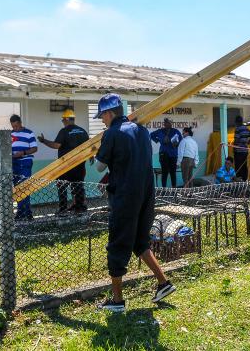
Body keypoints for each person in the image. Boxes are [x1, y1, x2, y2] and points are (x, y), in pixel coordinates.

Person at [92, 93, 175, 312]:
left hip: (124, 197)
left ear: (110, 113)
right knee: (140, 242)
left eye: (102, 116)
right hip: (146, 195)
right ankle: (163, 283)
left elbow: (99, 167)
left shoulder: (111, 134)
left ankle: (117, 302)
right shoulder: (142, 131)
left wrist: (95, 151)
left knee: (117, 245)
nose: (102, 120)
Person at [38, 109, 90, 215]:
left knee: (62, 186)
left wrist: (44, 141)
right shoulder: (83, 131)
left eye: (63, 120)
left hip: (65, 166)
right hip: (79, 165)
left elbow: (56, 145)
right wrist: (91, 157)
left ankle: (63, 210)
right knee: (78, 186)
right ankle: (79, 209)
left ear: (66, 119)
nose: (63, 122)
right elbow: (88, 147)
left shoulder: (64, 131)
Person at [10, 114, 38, 220]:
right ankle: (23, 212)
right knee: (17, 189)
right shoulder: (10, 134)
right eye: (13, 127)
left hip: (25, 162)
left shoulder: (29, 133)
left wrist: (23, 152)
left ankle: (26, 213)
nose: (15, 128)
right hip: (14, 163)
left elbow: (35, 148)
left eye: (16, 126)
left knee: (25, 187)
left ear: (20, 123)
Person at [150, 118, 181, 187]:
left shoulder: (175, 131)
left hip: (173, 154)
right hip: (163, 154)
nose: (166, 124)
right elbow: (151, 135)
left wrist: (175, 143)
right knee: (164, 172)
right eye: (165, 122)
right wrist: (159, 140)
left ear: (171, 123)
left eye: (169, 122)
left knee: (173, 172)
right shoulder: (160, 131)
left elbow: (180, 139)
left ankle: (174, 190)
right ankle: (164, 190)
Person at [233, 116, 250, 181]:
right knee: (244, 165)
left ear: (237, 122)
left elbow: (236, 139)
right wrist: (248, 143)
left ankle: (239, 179)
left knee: (238, 166)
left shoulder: (238, 129)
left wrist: (234, 147)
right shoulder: (246, 128)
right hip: (245, 150)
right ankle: (245, 179)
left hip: (238, 150)